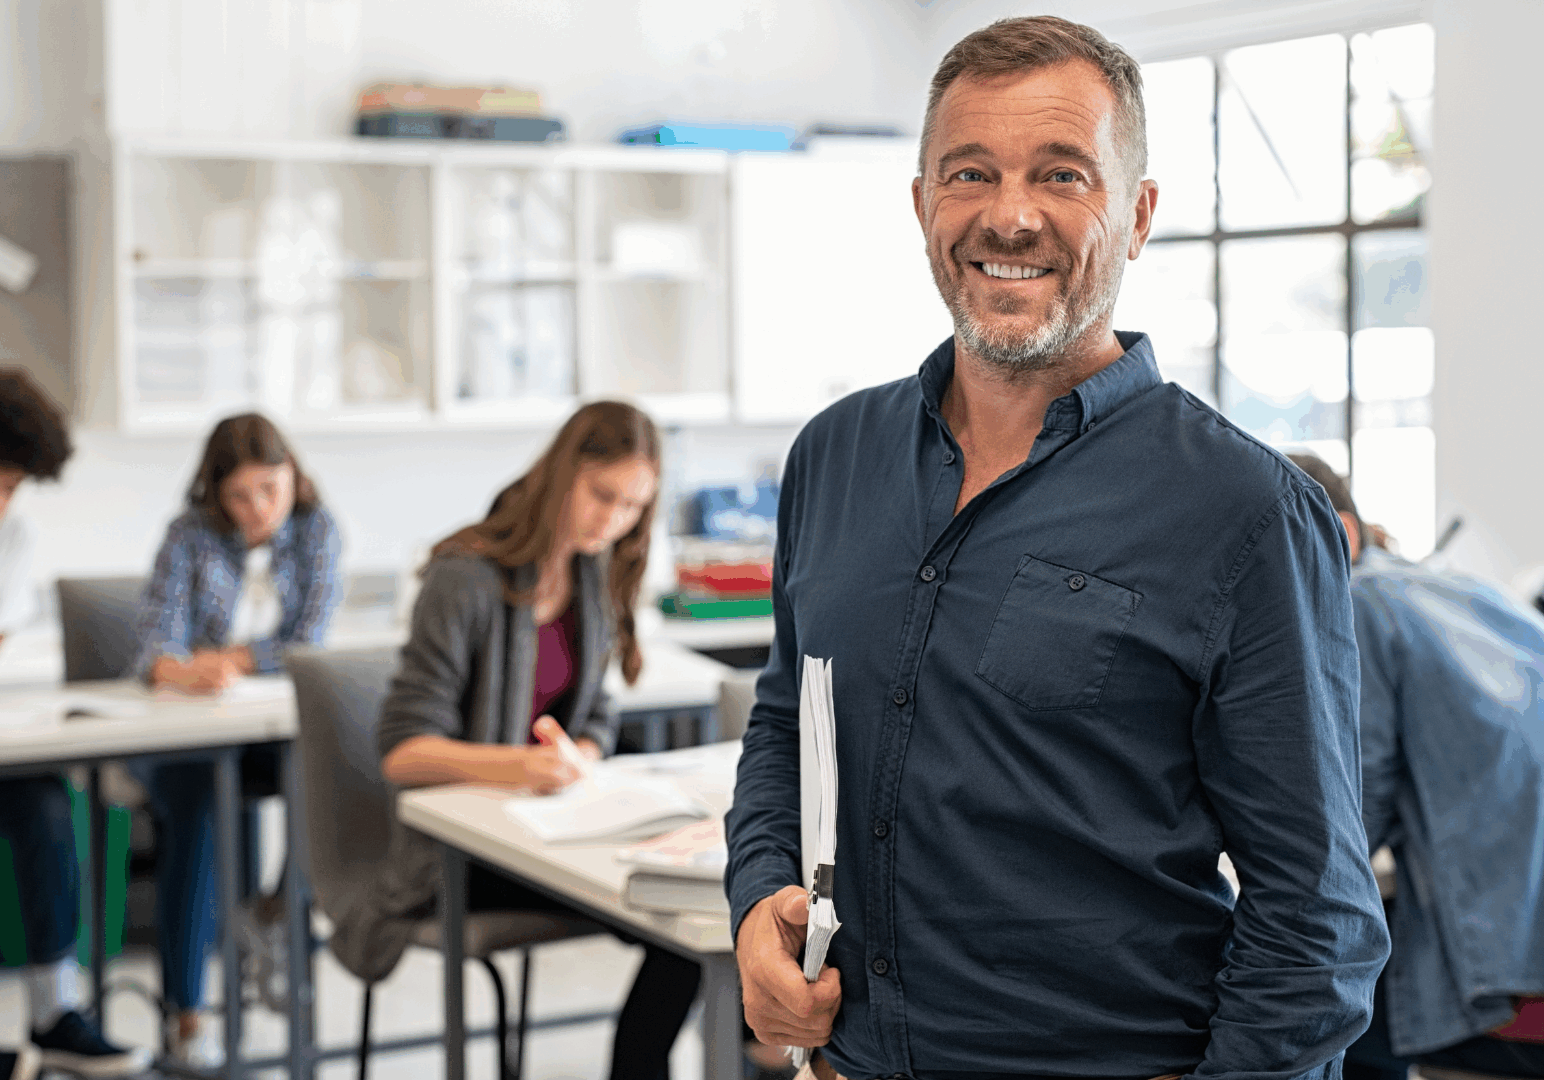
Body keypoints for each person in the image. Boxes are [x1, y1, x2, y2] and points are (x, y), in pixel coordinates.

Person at [724, 16, 1389, 1080]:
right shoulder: (833, 454)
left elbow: (1317, 918)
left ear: (1137, 215)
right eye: (970, 173)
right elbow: (785, 721)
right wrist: (758, 896)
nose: (1010, 215)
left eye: (1061, 174)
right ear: (921, 204)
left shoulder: (1246, 511)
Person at [334, 400, 700, 1080]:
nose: (613, 520)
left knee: (694, 913)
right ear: (563, 473)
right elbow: (404, 752)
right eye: (602, 496)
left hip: (549, 828)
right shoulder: (464, 578)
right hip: (461, 853)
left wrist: (578, 756)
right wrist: (524, 768)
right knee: (676, 916)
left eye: (632, 507)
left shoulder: (591, 572)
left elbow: (594, 717)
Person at [1289, 454, 1544, 1080]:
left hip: (1511, 966)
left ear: (1341, 534)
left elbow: (1355, 809)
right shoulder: (1463, 588)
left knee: (1319, 1005)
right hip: (1527, 923)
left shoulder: (1356, 604)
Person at [130, 412, 342, 1065]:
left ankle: (275, 914)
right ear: (216, 495)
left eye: (270, 490)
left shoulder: (317, 530)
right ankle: (188, 1016)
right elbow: (157, 647)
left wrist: (234, 659)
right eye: (240, 496)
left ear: (293, 477)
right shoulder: (188, 536)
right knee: (196, 811)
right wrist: (181, 669)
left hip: (270, 735)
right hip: (192, 735)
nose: (259, 509)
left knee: (330, 779)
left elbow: (309, 642)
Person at [0, 370, 150, 1079]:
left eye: (13, 489)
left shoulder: (13, 538)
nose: (4, 504)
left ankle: (54, 1013)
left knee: (45, 806)